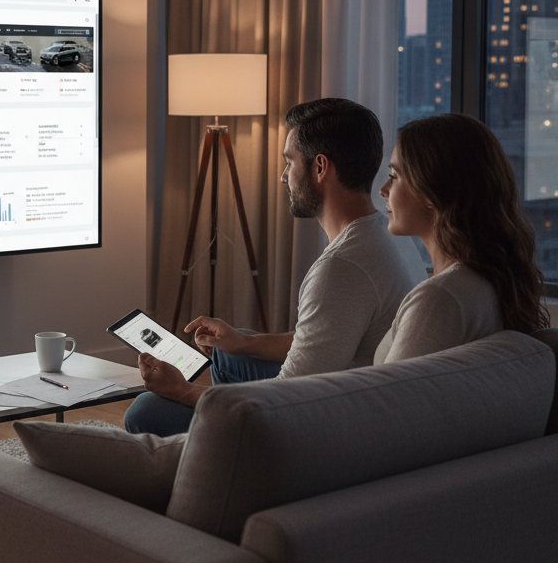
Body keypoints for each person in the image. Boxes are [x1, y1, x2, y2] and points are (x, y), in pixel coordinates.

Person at [125, 97, 426, 437]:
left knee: (146, 410)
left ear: (320, 167)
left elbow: (286, 400)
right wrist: (242, 341)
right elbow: (324, 338)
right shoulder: (388, 233)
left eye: (289, 162)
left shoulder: (341, 268)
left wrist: (181, 391)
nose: (284, 177)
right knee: (227, 354)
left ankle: (229, 447)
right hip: (349, 386)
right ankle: (225, 435)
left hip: (327, 420)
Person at [374, 113, 547, 362]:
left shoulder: (439, 299)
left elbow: (394, 388)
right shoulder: (486, 283)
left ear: (430, 189)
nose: (383, 190)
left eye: (394, 176)